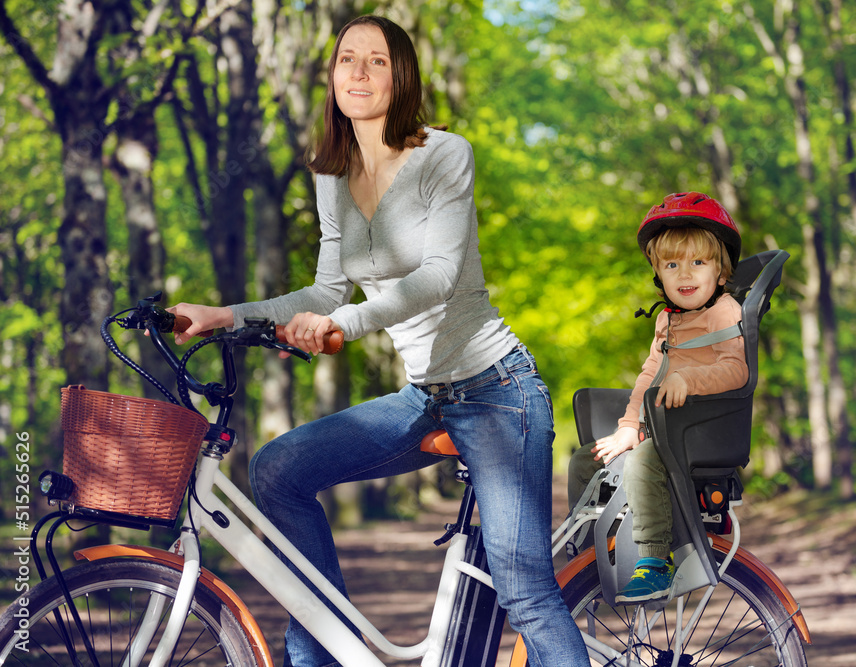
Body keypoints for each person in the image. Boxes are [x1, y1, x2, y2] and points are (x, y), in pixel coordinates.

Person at [170, 15, 589, 667]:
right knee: (278, 468)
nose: (358, 72)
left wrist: (349, 325)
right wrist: (224, 314)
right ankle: (330, 651)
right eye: (346, 59)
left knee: (526, 592)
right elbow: (326, 290)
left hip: (497, 393)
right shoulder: (332, 173)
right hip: (424, 396)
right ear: (331, 74)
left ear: (403, 78)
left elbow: (438, 277)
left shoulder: (444, 155)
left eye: (377, 61)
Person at [567, 192, 748, 603]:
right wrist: (630, 426)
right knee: (587, 458)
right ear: (659, 275)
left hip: (703, 432)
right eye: (672, 264)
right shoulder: (667, 320)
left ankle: (653, 561)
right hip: (665, 430)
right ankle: (588, 548)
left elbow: (737, 369)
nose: (685, 273)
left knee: (647, 459)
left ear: (720, 273)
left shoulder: (724, 312)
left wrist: (690, 378)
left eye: (698, 262)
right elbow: (650, 375)